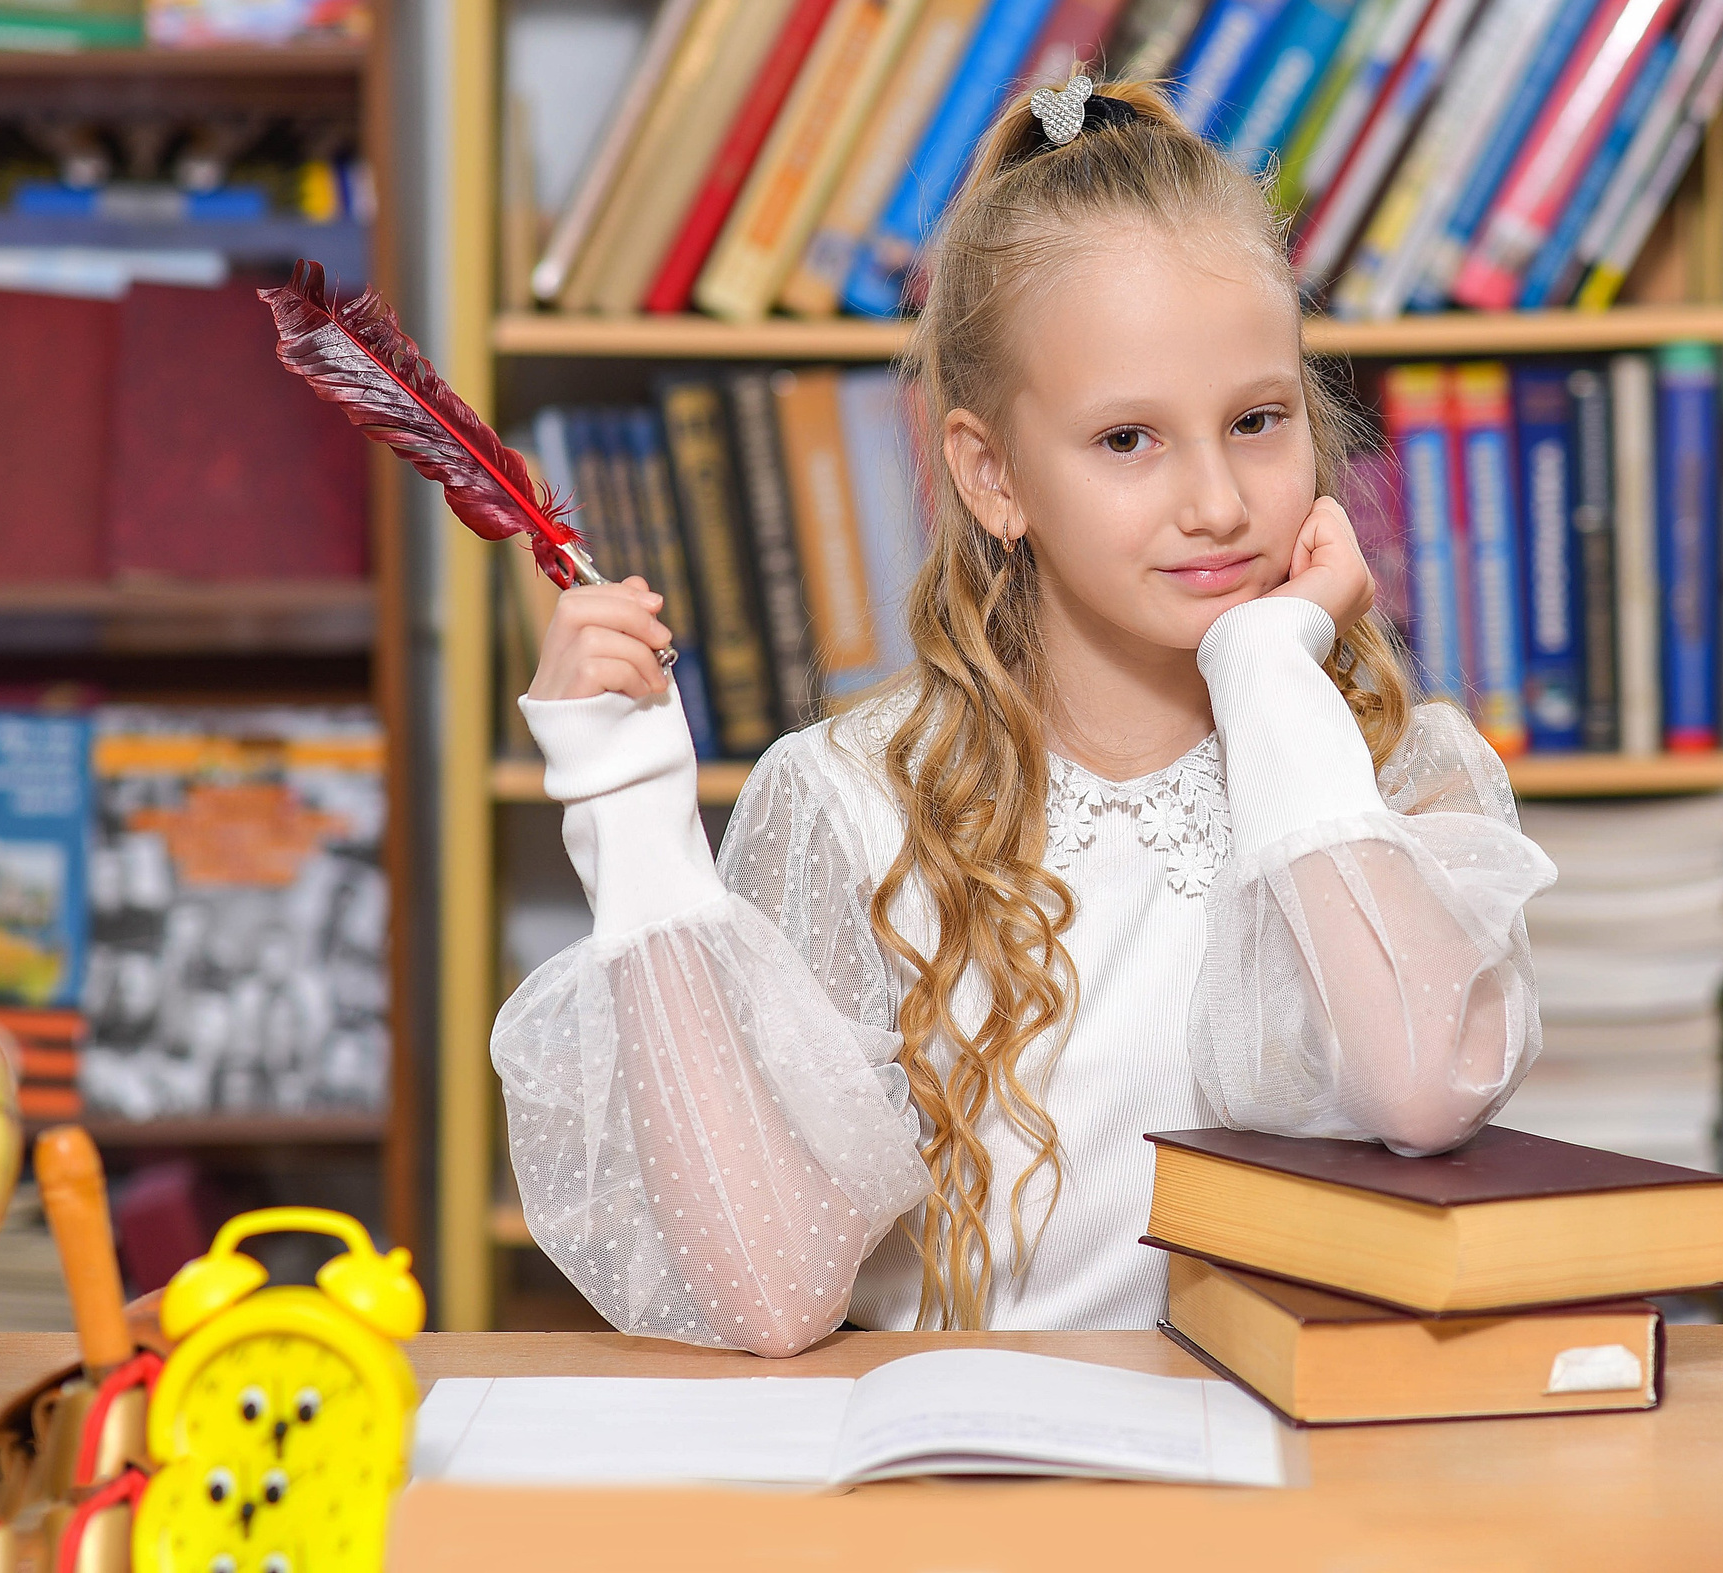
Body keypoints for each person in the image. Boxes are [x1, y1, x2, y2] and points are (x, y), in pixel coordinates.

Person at [494, 77, 1553, 1356]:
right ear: (991, 475)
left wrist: (1274, 676)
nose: (1217, 501)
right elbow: (771, 1300)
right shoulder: (850, 799)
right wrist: (630, 821)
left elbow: (1422, 1091)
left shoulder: (1388, 773)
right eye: (1128, 441)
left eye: (1258, 422)